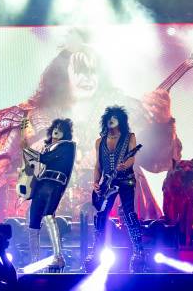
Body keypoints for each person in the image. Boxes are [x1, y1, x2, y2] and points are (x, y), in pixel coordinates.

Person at [0, 29, 181, 222]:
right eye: (80, 71)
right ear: (61, 75)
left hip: (115, 220)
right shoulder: (28, 116)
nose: (87, 78)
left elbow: (158, 162)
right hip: (44, 219)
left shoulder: (126, 113)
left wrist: (164, 123)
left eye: (92, 72)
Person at [85, 106, 144, 272]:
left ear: (121, 120)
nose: (111, 119)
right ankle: (96, 251)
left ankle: (139, 251)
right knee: (101, 215)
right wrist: (96, 182)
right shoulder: (100, 141)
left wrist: (126, 164)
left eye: (115, 117)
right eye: (109, 117)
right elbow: (98, 165)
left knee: (129, 213)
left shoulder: (129, 137)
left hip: (126, 180)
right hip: (107, 185)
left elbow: (132, 156)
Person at [21, 118, 76, 269]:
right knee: (33, 223)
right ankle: (34, 261)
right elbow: (36, 167)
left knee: (48, 216)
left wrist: (27, 149)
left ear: (65, 133)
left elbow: (45, 159)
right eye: (55, 127)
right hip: (40, 186)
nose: (56, 131)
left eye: (61, 129)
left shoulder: (67, 146)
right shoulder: (46, 148)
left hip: (55, 184)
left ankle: (59, 257)